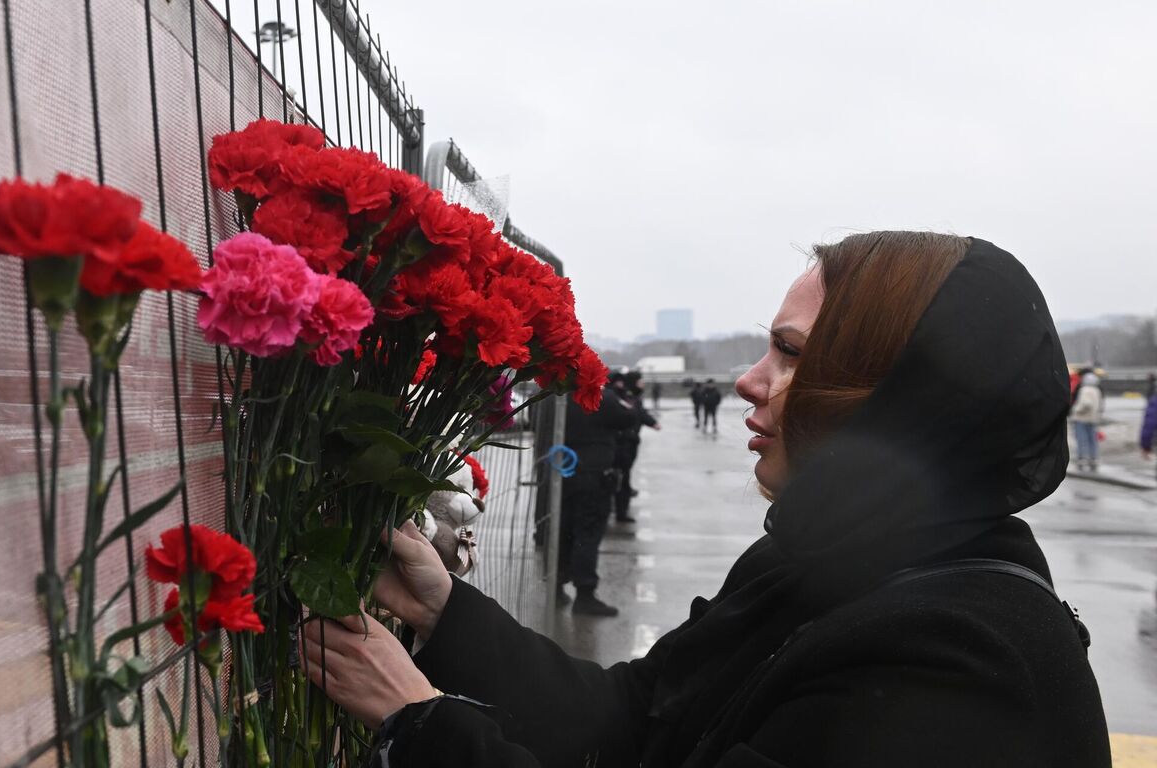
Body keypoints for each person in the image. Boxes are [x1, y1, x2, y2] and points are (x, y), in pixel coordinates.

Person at [298, 233, 1108, 766]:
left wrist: (422, 724)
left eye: (790, 355)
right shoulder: (823, 563)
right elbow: (640, 718)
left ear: (894, 400)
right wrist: (446, 612)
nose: (747, 381)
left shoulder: (960, 665)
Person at [557, 377, 640, 616]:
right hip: (594, 476)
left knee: (564, 532)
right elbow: (627, 419)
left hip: (562, 473)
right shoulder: (601, 397)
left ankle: (557, 586)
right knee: (588, 534)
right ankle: (585, 594)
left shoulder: (557, 398)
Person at [611, 371, 659, 523]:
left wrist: (652, 422)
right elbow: (638, 414)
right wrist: (651, 422)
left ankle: (620, 507)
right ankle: (620, 511)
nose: (642, 383)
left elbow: (640, 414)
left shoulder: (631, 397)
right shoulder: (627, 397)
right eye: (640, 381)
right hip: (624, 443)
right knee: (622, 477)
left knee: (623, 476)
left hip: (629, 441)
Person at [1070, 372, 1102, 473]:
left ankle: (1082, 459)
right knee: (1092, 440)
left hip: (1082, 418)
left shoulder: (1084, 390)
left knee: (1081, 440)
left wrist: (1076, 410)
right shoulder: (1097, 390)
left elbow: (1086, 404)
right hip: (1093, 419)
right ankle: (1094, 459)